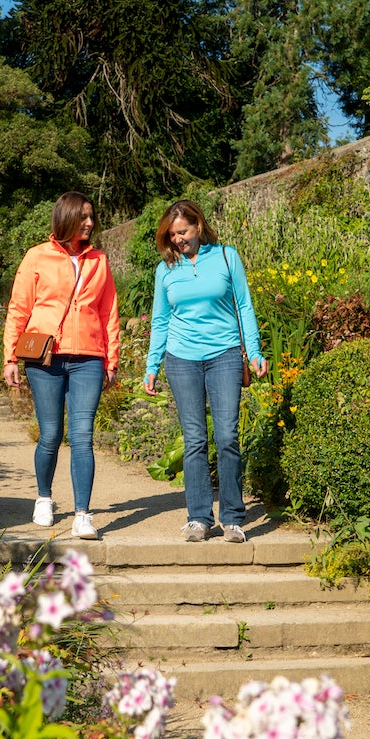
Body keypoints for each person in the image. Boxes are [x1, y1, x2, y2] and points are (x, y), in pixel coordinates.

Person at [143, 200, 268, 543]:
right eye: (172, 235)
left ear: (198, 226)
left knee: (227, 436)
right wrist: (151, 366)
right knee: (195, 439)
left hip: (224, 355)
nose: (178, 240)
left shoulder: (227, 256)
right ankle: (199, 518)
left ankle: (232, 518)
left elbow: (244, 305)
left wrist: (254, 353)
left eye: (183, 232)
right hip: (181, 358)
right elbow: (160, 320)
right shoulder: (165, 269)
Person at [3, 191, 120, 539]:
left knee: (82, 436)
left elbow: (108, 311)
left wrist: (111, 359)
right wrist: (10, 356)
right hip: (45, 358)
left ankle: (83, 515)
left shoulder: (99, 260)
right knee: (51, 434)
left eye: (91, 217)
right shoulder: (37, 257)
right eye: (82, 216)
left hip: (88, 358)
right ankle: (44, 497)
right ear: (65, 217)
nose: (89, 222)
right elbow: (19, 308)